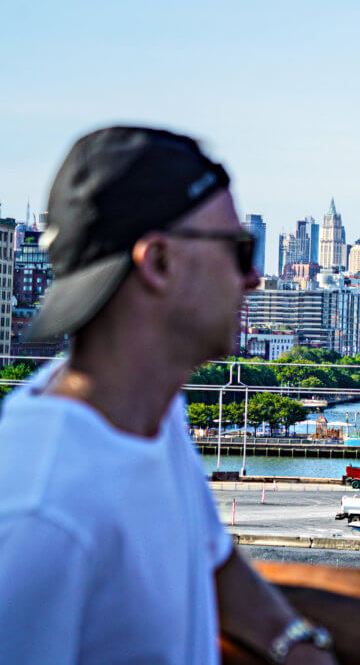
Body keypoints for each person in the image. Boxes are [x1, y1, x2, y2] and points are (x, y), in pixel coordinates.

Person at [0, 127, 337, 664]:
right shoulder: (42, 514)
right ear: (158, 261)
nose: (253, 278)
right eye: (238, 250)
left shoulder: (148, 410)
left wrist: (296, 648)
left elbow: (212, 559)